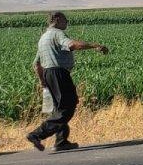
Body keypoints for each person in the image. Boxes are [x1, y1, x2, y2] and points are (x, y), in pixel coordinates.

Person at [26, 12, 110, 152]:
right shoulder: (57, 34)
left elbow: (36, 64)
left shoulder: (43, 38)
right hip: (59, 73)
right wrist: (94, 45)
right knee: (67, 107)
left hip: (48, 74)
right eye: (66, 20)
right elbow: (72, 45)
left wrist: (43, 81)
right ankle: (36, 134)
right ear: (57, 19)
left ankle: (61, 141)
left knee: (59, 108)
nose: (67, 22)